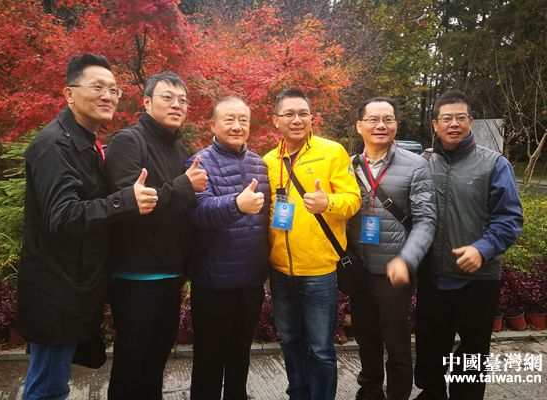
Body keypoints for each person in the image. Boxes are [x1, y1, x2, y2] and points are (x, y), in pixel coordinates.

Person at [18, 53, 158, 399]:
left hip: (73, 288)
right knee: (48, 387)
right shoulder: (55, 145)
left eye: (113, 90)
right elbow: (63, 216)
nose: (108, 96)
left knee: (54, 382)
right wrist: (125, 201)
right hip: (56, 291)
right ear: (69, 94)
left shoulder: (86, 143)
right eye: (97, 87)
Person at [104, 71, 208, 399]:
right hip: (135, 276)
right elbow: (130, 205)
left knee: (157, 358)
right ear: (147, 102)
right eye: (167, 97)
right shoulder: (127, 142)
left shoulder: (181, 151)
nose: (177, 105)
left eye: (182, 100)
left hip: (171, 274)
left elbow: (186, 210)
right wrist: (184, 186)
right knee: (131, 363)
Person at [414, 90, 523, 400]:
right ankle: (432, 393)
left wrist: (482, 249)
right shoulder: (424, 164)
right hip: (433, 276)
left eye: (460, 117)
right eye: (447, 118)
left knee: (473, 351)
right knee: (430, 345)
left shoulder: (494, 164)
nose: (454, 124)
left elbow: (509, 219)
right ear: (435, 124)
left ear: (470, 121)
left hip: (478, 278)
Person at [264, 88, 362, 399]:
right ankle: (298, 394)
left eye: (303, 113)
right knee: (290, 341)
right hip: (280, 271)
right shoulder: (268, 161)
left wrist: (327, 203)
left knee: (320, 348)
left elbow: (353, 200)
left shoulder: (332, 152)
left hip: (319, 271)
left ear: (311, 118)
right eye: (289, 114)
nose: (297, 120)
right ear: (276, 120)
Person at [346, 97, 436, 400]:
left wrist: (407, 260)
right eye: (373, 119)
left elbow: (426, 221)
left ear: (396, 125)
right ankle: (370, 390)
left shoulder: (416, 166)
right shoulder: (347, 167)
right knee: (366, 340)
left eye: (388, 119)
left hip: (394, 273)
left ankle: (398, 394)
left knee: (397, 344)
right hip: (359, 271)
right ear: (360, 126)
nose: (380, 125)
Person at [187, 96, 271, 400]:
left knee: (240, 356)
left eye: (243, 120)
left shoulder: (260, 164)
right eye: (229, 120)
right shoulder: (199, 163)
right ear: (213, 125)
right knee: (209, 359)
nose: (237, 126)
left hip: (250, 282)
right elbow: (198, 213)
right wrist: (237, 204)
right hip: (214, 283)